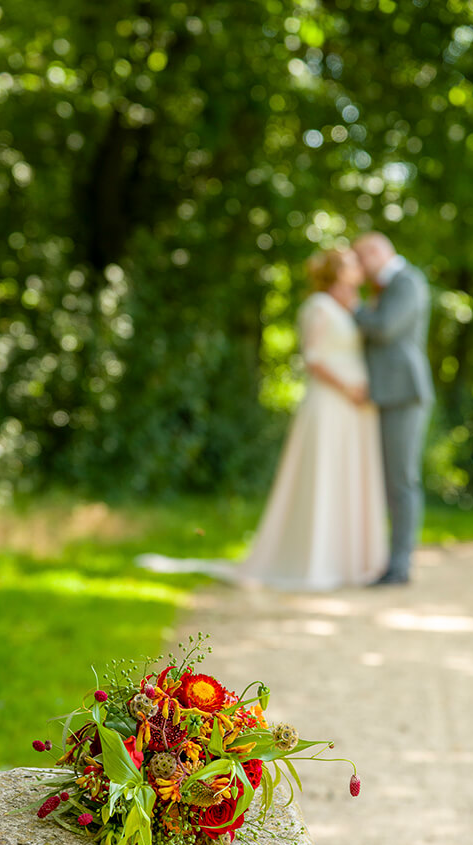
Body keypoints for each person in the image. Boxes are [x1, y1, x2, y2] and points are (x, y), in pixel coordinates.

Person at [136, 247, 388, 591]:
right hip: (330, 403)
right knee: (324, 477)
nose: (359, 268)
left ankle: (346, 562)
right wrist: (347, 388)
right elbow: (312, 358)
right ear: (336, 271)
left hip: (355, 411)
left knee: (347, 477)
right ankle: (315, 561)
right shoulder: (318, 307)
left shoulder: (354, 309)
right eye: (351, 264)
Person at [352, 233, 434, 585]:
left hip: (404, 392)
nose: (358, 267)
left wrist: (350, 307)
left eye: (360, 259)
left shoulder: (407, 281)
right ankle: (386, 559)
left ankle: (400, 566)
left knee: (401, 481)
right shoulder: (385, 287)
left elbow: (384, 328)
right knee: (387, 481)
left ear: (375, 253)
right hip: (384, 394)